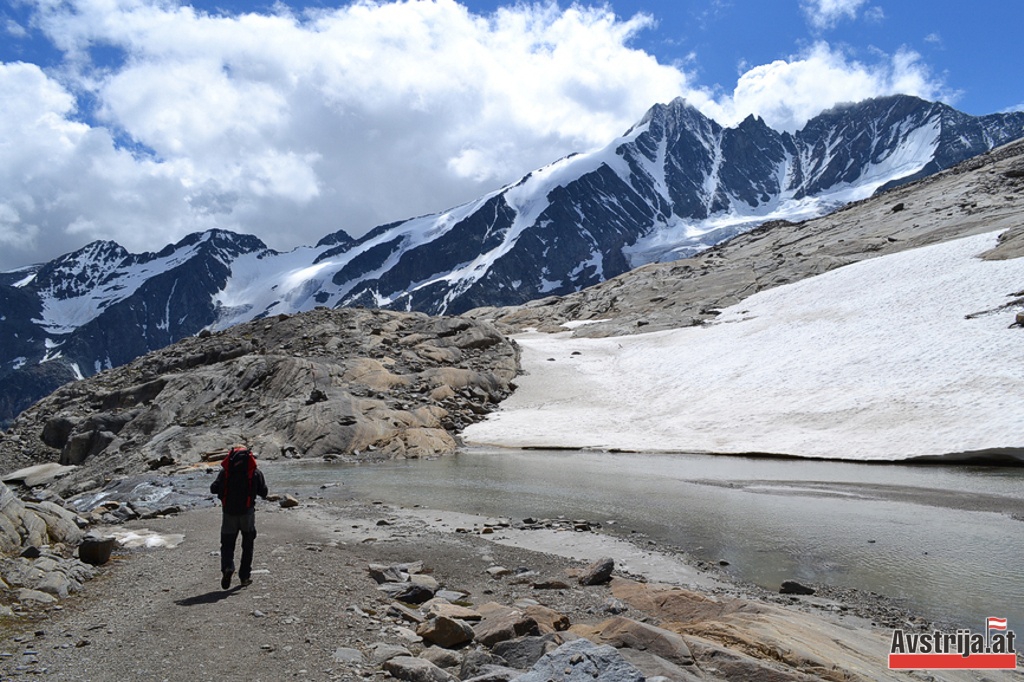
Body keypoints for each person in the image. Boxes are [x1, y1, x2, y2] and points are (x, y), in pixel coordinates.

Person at [210, 445, 269, 589]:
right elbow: (264, 492)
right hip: (247, 513)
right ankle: (244, 577)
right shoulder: (254, 472)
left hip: (229, 513)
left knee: (227, 544)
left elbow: (213, 488)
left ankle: (228, 567)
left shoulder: (226, 472)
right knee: (247, 545)